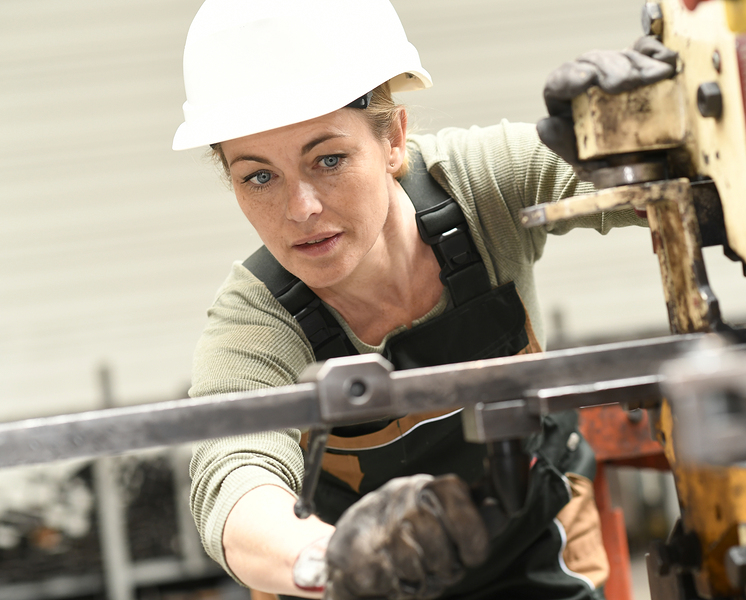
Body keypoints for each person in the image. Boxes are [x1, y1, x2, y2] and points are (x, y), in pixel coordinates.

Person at [175, 1, 675, 599]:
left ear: (394, 139)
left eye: (328, 159)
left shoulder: (478, 187)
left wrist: (644, 135)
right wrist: (328, 560)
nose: (300, 207)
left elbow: (653, 185)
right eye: (259, 176)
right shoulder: (257, 323)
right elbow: (233, 480)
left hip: (533, 545)